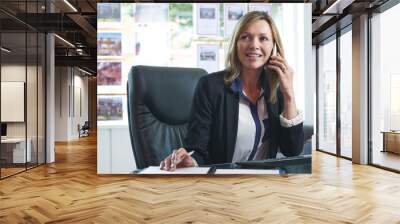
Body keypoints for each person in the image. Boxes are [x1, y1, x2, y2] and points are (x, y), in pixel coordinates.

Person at [160, 11, 304, 171]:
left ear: (274, 47)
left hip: (263, 183)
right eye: (246, 37)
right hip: (222, 184)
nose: (254, 45)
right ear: (236, 44)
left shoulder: (276, 91)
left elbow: (292, 150)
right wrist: (191, 160)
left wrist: (289, 94)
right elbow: (197, 148)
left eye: (263, 38)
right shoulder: (210, 87)